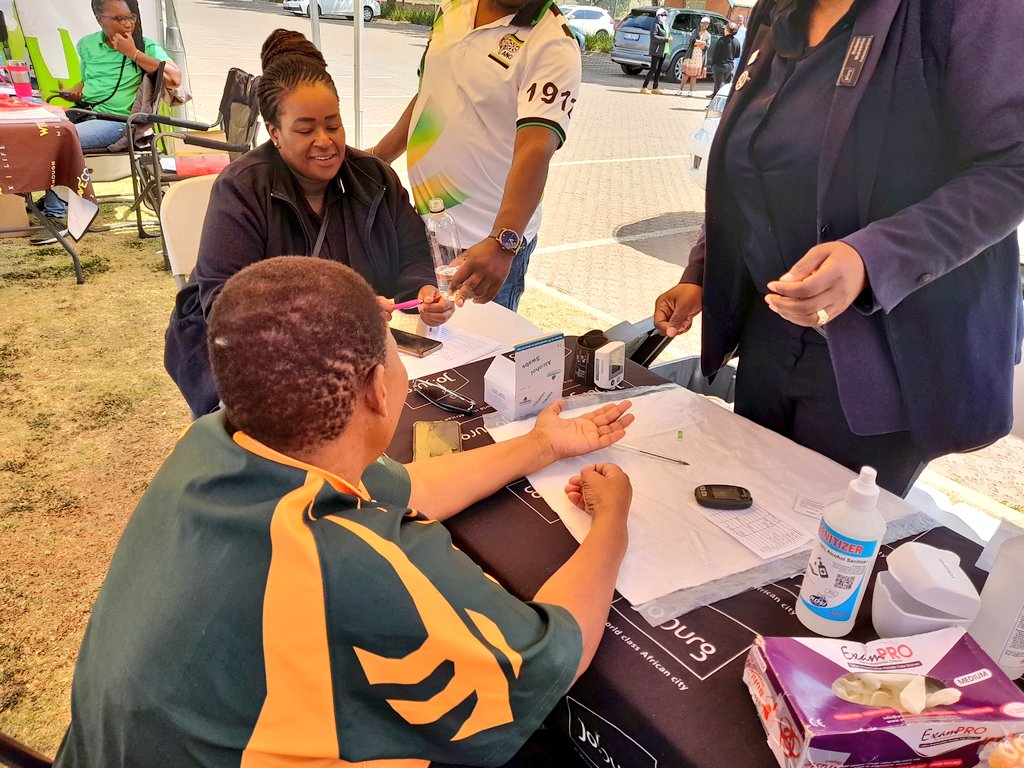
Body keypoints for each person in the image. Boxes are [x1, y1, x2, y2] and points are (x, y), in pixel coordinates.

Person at [54, 256, 634, 767]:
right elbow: (556, 653)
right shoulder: (345, 562)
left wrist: (543, 445)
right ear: (378, 390)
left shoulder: (218, 442)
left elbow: (408, 487)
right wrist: (612, 521)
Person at [653, 0, 1024, 497]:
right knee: (744, 513)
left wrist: (873, 258)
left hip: (882, 360)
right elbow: (754, 164)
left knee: (824, 548)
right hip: (771, 334)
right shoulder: (777, 11)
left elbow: (1010, 167)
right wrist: (701, 271)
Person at [164, 30, 449, 418]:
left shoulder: (376, 180)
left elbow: (413, 255)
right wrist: (346, 315)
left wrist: (425, 291)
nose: (325, 142)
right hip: (259, 366)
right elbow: (226, 309)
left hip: (357, 360)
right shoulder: (241, 190)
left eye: (333, 125)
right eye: (305, 129)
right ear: (274, 133)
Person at [369, 0, 582, 312]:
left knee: (478, 358)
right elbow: (431, 93)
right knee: (418, 346)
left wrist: (502, 242)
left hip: (484, 251)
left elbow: (536, 147)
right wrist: (376, 159)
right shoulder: (451, 8)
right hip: (422, 229)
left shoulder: (554, 43)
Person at [31, 0, 181, 245]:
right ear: (100, 19)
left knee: (58, 140)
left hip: (118, 122)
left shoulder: (145, 46)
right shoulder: (87, 45)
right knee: (37, 131)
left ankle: (57, 213)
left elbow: (174, 78)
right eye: (119, 18)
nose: (128, 23)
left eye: (130, 17)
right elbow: (86, 79)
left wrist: (133, 53)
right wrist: (76, 91)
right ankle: (53, 195)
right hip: (87, 111)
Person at [675, 16, 710, 97]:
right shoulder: (695, 31)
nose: (705, 25)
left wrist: (699, 43)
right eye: (704, 23)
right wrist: (701, 42)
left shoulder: (708, 35)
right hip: (691, 55)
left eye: (707, 24)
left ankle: (690, 91)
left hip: (699, 57)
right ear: (700, 23)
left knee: (694, 75)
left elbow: (707, 46)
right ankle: (680, 89)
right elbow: (692, 41)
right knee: (686, 74)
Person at [640, 9, 671, 95]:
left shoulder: (665, 24)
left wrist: (669, 37)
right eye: (662, 15)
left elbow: (667, 33)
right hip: (656, 50)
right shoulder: (655, 24)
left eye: (665, 15)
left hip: (664, 50)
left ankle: (655, 87)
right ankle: (644, 87)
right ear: (658, 15)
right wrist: (666, 39)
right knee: (653, 68)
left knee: (659, 70)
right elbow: (653, 37)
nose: (664, 17)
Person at [708, 22, 740, 97]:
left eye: (725, 28)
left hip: (720, 65)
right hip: (729, 66)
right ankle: (712, 102)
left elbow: (716, 54)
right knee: (719, 84)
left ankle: (719, 104)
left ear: (728, 30)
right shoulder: (737, 42)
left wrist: (713, 64)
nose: (724, 29)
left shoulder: (722, 40)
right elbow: (737, 55)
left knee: (719, 86)